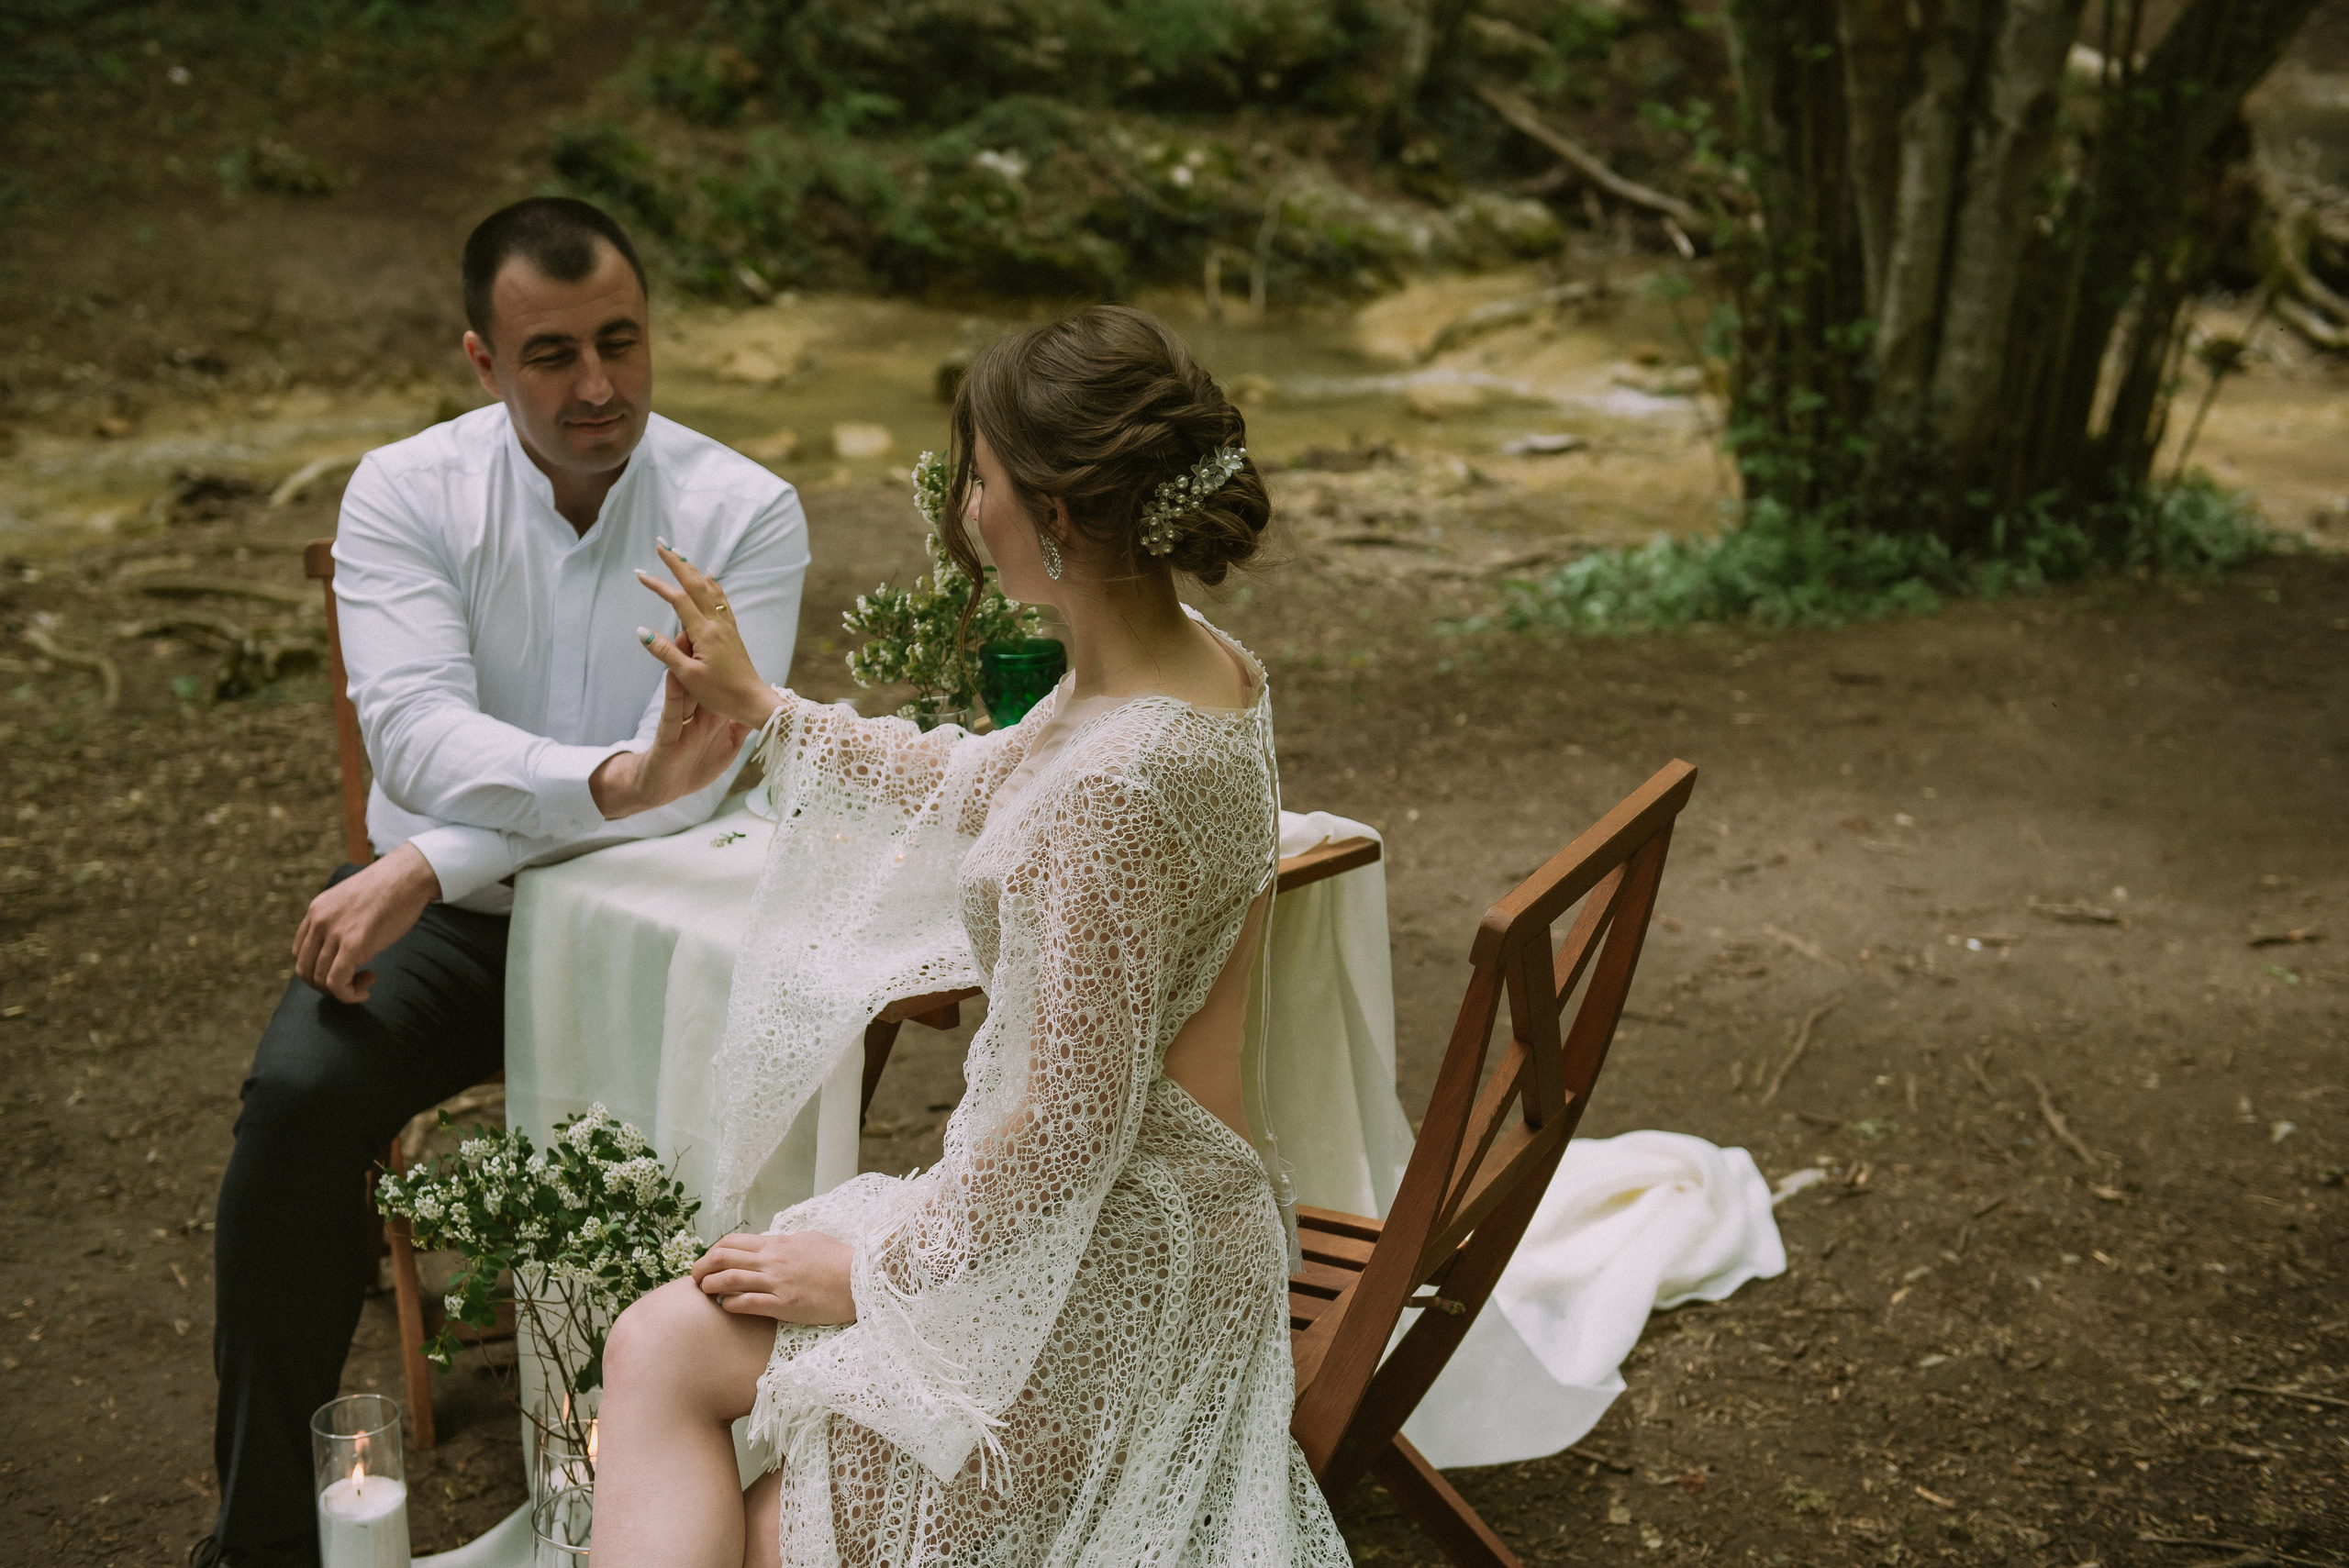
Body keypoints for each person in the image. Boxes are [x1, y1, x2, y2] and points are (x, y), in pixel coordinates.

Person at [592, 304, 1351, 1567]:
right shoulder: (1184, 669)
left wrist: (874, 1274)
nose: (963, 511)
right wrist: (767, 709)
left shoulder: (1122, 786)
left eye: (979, 480)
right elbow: (983, 779)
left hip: (1120, 1269)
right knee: (660, 1348)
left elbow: (1067, 1130)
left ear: (1053, 513)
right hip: (1136, 1212)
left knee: (757, 1511)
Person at [195, 197, 810, 1568]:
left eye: (620, 341)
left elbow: (697, 778)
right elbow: (416, 737)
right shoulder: (403, 490)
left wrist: (432, 852)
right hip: (455, 937)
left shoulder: (744, 509)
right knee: (294, 1111)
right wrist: (597, 790)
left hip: (659, 916)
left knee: (761, 1108)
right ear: (483, 360)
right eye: (551, 354)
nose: (597, 386)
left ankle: (709, 1487)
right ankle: (262, 1545)